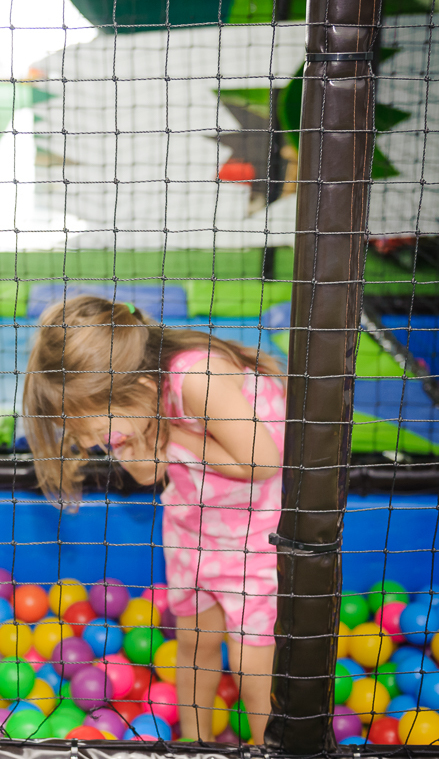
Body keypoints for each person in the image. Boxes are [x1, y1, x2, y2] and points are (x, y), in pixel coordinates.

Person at [22, 296, 285, 744]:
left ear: (141, 386)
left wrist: (174, 432)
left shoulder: (196, 378)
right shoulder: (131, 400)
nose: (91, 444)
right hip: (193, 516)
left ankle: (268, 747)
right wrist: (137, 441)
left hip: (259, 526)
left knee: (251, 658)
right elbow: (149, 471)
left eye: (94, 430)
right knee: (195, 640)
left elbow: (261, 461)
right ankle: (196, 744)